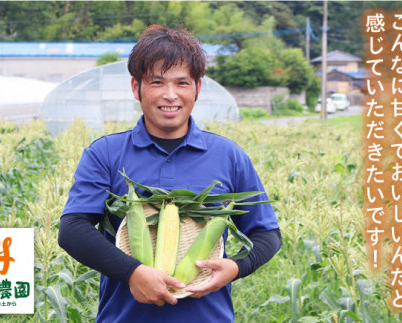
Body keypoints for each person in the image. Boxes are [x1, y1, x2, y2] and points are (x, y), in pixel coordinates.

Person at [58, 25, 282, 323]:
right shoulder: (106, 153)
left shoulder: (228, 155)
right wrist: (133, 272)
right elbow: (73, 228)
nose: (170, 95)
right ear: (135, 87)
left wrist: (237, 267)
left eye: (182, 83)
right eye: (157, 82)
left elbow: (267, 233)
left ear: (198, 88)